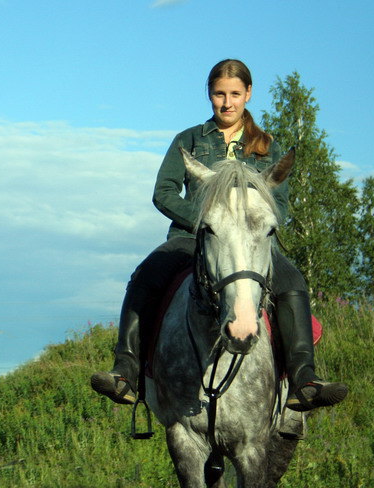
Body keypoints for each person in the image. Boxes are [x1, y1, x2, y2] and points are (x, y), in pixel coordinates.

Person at [90, 59, 348, 412]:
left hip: (252, 243)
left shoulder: (269, 148)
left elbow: (281, 206)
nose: (227, 103)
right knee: (146, 275)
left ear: (248, 94)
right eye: (219, 94)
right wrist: (206, 222)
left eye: (235, 94)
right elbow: (163, 192)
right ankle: (126, 370)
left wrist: (249, 225)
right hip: (191, 237)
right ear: (209, 94)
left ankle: (304, 379)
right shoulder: (188, 140)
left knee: (293, 281)